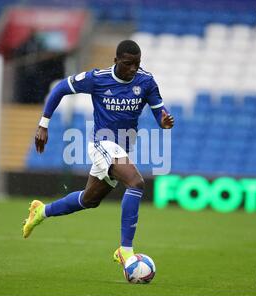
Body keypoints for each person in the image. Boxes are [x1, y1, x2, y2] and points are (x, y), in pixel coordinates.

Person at [22, 40, 174, 267]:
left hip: (122, 148)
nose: (133, 69)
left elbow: (160, 114)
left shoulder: (146, 81)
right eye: (127, 64)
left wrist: (164, 121)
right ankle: (125, 250)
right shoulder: (98, 78)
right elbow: (60, 88)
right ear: (116, 61)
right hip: (102, 144)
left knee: (89, 199)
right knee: (136, 183)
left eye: (137, 64)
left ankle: (41, 211)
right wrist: (43, 124)